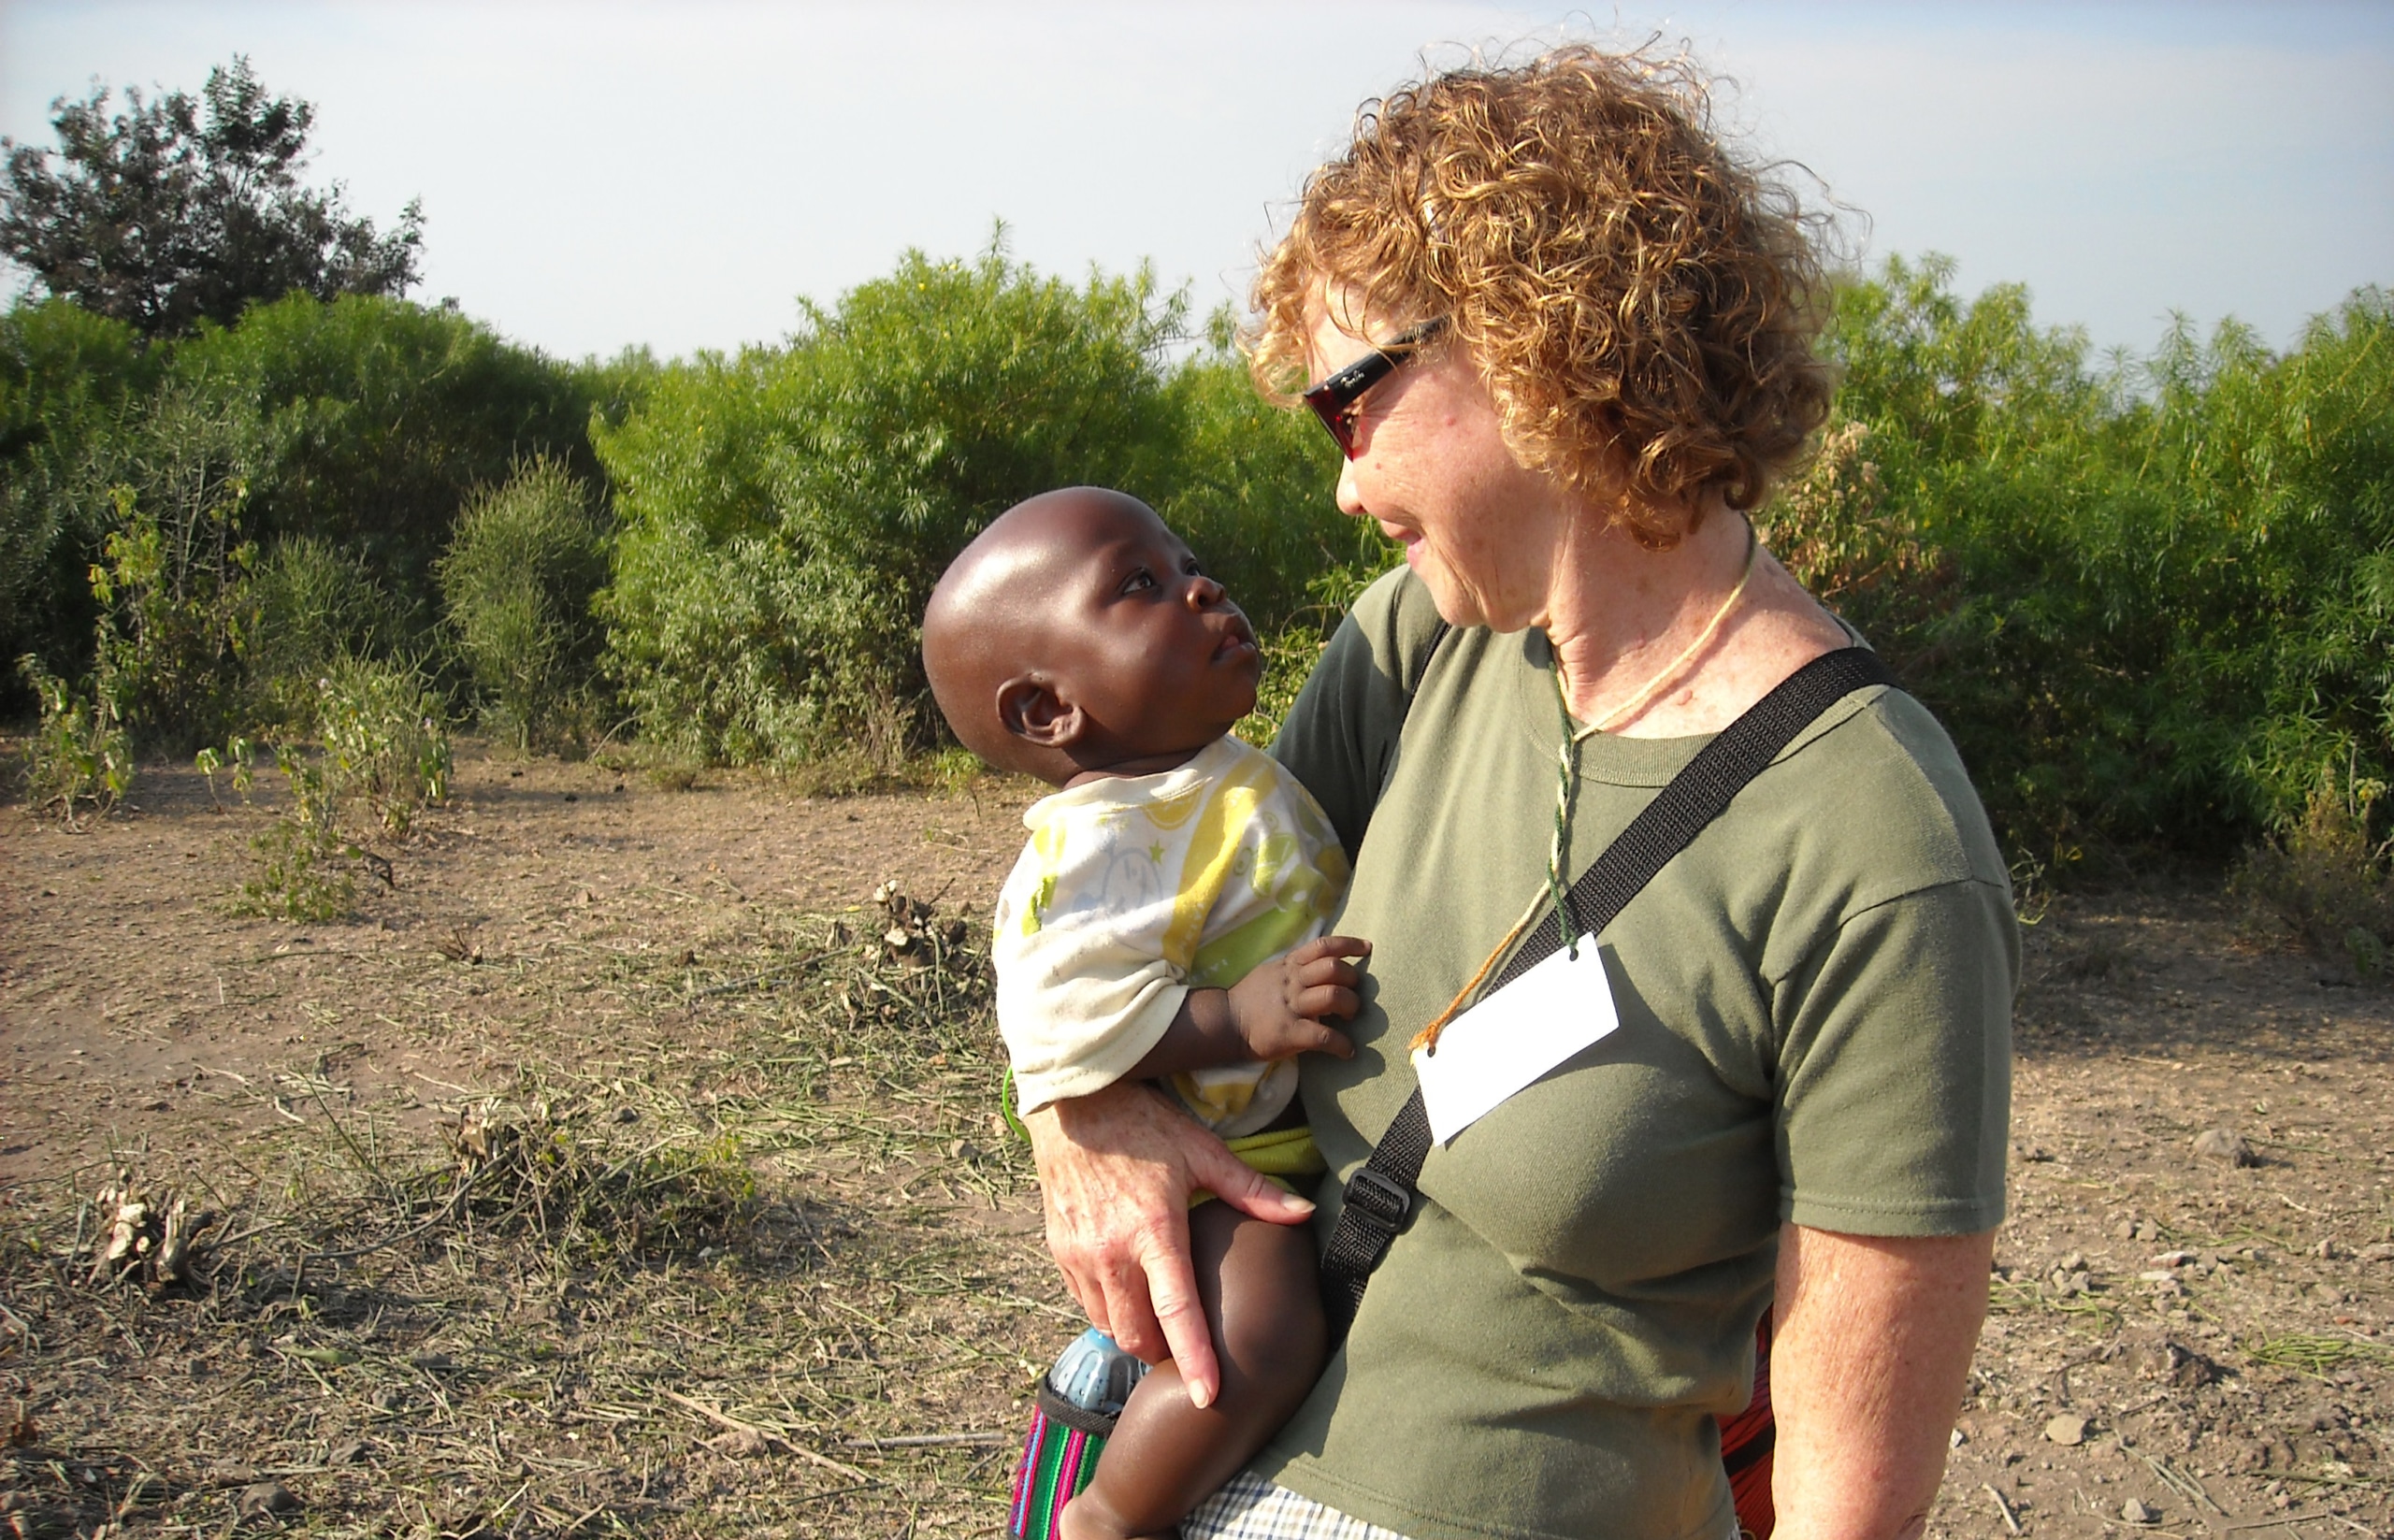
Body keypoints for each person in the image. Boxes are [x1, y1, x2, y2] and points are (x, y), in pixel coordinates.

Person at [1020, 46, 2017, 1540]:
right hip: (1198, 1463)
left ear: (1531, 342)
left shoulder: (1876, 843)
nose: (1342, 485)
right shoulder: (1421, 636)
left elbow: (1846, 1492)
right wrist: (1077, 1115)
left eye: (1347, 405)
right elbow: (1159, 917)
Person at [922, 487, 1373, 1540]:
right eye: (1140, 586)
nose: (1200, 586)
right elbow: (1067, 1036)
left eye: (1185, 561)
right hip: (1223, 1161)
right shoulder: (1092, 848)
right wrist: (1233, 1020)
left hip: (1290, 1133)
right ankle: (1116, 1515)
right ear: (1048, 712)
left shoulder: (1203, 781)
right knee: (1259, 1341)